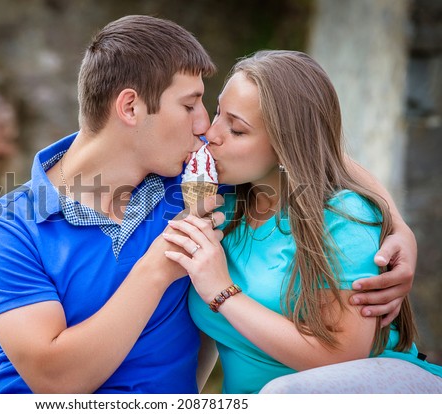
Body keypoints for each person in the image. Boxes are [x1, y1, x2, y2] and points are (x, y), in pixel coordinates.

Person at [0, 16, 415, 394]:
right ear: (130, 107)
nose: (206, 125)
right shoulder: (4, 229)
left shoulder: (195, 183)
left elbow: (304, 150)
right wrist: (159, 266)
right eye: (191, 104)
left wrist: (397, 228)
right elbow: (55, 380)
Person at [163, 50, 442, 393]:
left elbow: (342, 355)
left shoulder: (343, 218)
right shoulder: (219, 208)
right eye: (219, 112)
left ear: (285, 145)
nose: (211, 133)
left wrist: (222, 292)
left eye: (236, 129)